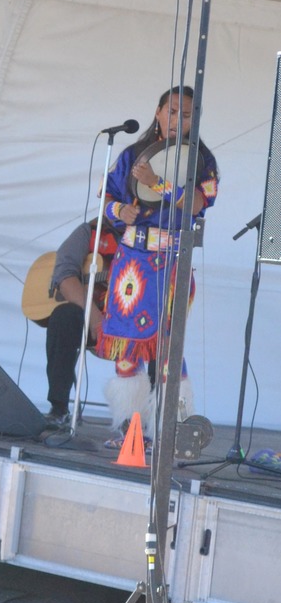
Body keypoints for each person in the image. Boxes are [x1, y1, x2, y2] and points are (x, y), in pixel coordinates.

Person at [95, 85, 219, 445]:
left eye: (187, 113)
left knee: (168, 346)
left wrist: (158, 183)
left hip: (172, 264)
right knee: (126, 345)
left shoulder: (202, 160)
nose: (179, 118)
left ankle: (171, 431)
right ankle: (130, 430)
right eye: (173, 110)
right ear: (159, 111)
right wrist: (122, 211)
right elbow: (106, 200)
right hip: (131, 264)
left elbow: (197, 204)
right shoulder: (134, 154)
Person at [44, 218, 118, 428]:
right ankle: (59, 408)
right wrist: (95, 318)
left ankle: (144, 418)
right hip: (93, 318)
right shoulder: (90, 231)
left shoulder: (151, 236)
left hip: (129, 321)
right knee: (63, 317)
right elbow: (64, 275)